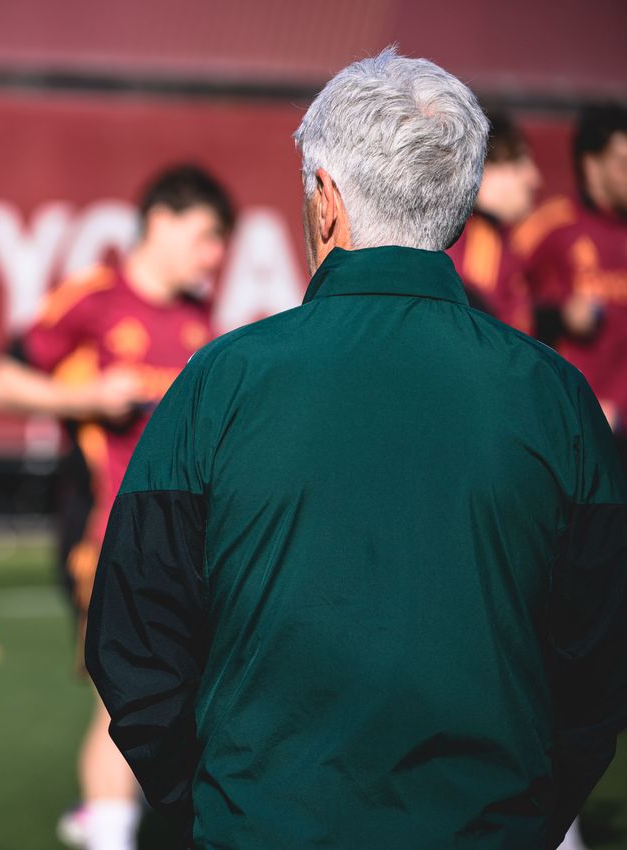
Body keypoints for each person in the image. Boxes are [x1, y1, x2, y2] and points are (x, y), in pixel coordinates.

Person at [87, 49, 627, 850]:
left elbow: (132, 642)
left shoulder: (220, 382)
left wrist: (220, 802)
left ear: (328, 200)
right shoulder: (556, 396)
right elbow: (597, 664)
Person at [0, 164, 233, 850]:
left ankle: (106, 816)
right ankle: (111, 828)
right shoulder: (91, 299)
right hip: (105, 534)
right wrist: (86, 398)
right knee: (124, 696)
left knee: (180, 692)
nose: (215, 256)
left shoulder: (199, 320)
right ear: (162, 220)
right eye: (209, 236)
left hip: (187, 539)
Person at [514, 102, 627, 476]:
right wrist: (560, 313)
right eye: (623, 161)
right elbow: (498, 303)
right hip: (567, 429)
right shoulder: (549, 227)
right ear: (592, 166)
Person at [445, 108, 541, 333]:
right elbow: (474, 333)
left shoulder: (500, 239)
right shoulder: (475, 243)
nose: (534, 178)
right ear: (482, 169)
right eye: (518, 164)